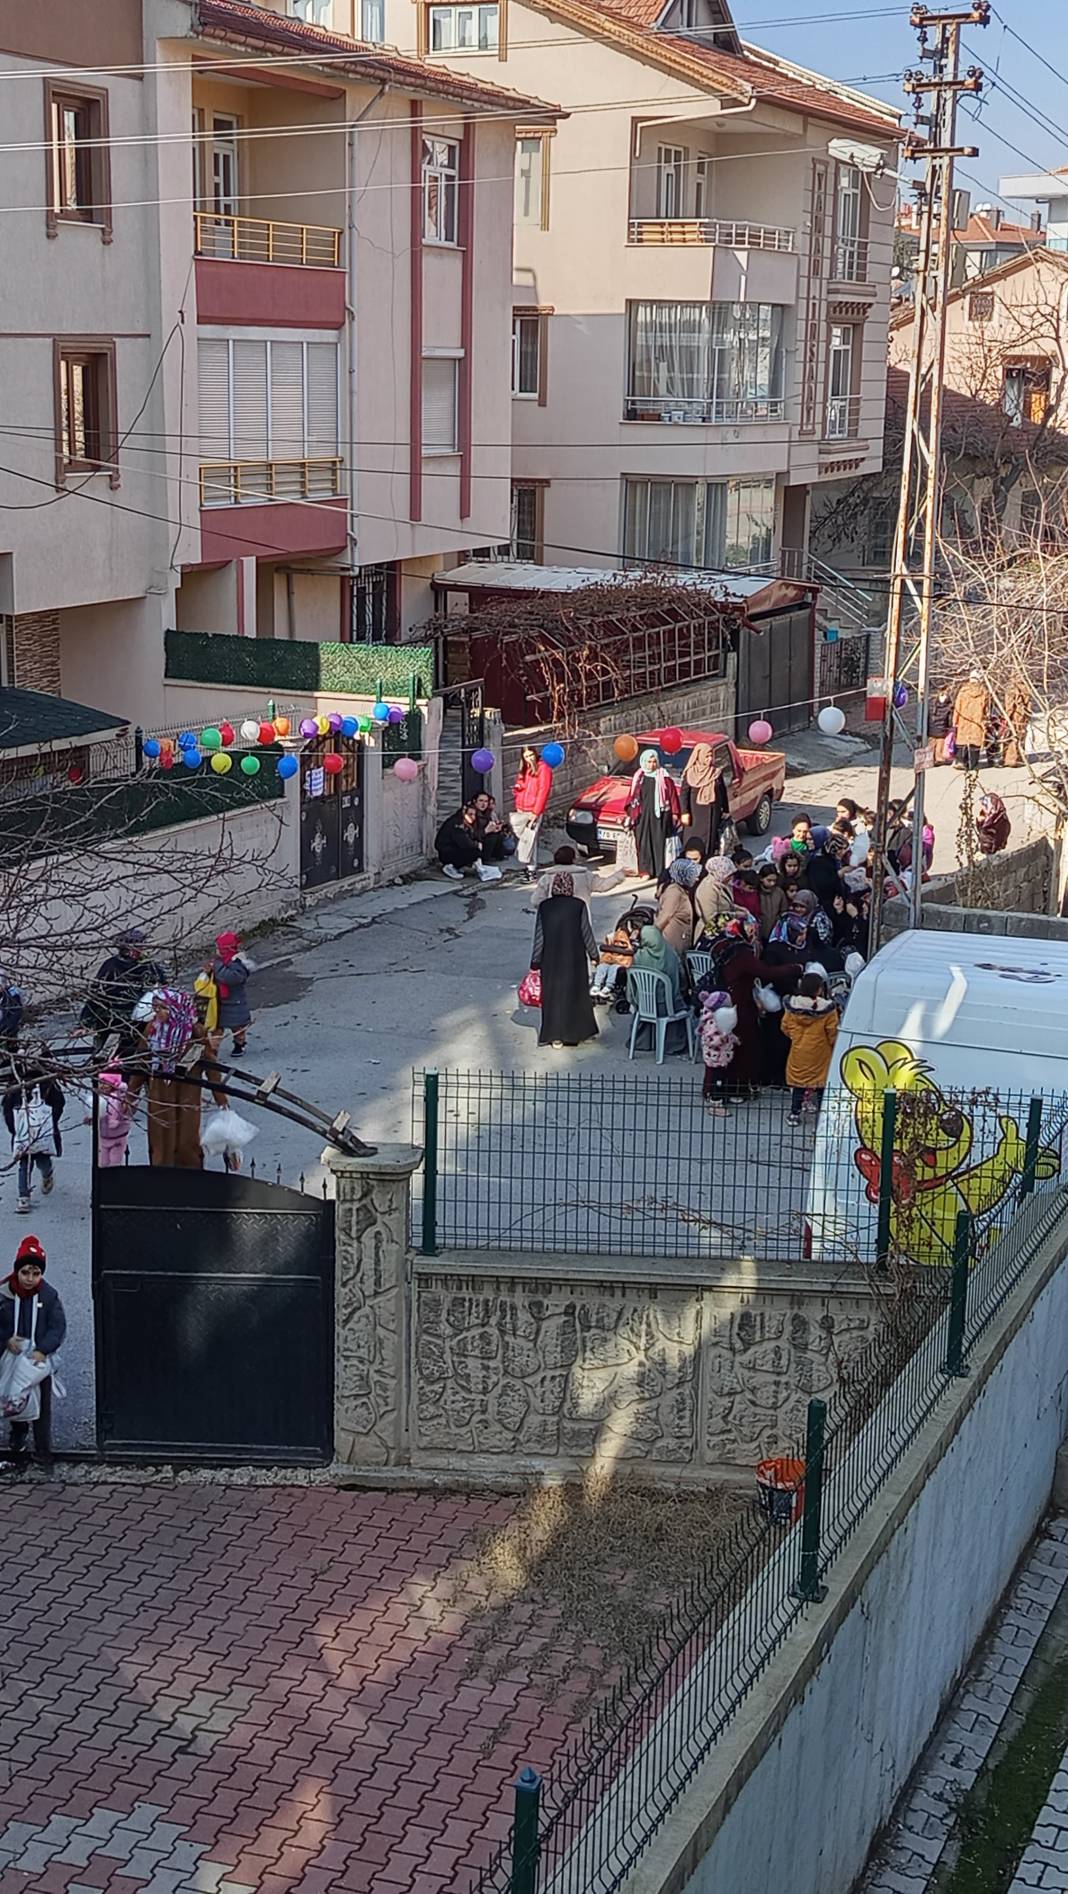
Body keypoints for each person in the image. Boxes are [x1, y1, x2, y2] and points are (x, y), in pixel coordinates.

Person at [695, 917, 800, 1096]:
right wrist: (794, 968)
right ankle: (736, 1089)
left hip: (726, 1000)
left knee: (726, 1045)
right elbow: (765, 972)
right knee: (743, 1046)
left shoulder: (724, 946)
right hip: (740, 1004)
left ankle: (723, 1088)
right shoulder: (742, 953)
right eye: (750, 929)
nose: (753, 932)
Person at [1, 1234, 65, 1471]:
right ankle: (18, 1433)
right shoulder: (4, 1295)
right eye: (25, 1272)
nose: (30, 1279)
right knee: (11, 1397)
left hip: (37, 1361)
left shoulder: (49, 1296)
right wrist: (6, 1341)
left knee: (42, 1406)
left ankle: (42, 1450)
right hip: (10, 1356)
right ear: (17, 1270)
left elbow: (57, 1327)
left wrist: (43, 1350)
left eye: (36, 1273)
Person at [530, 872, 599, 1048]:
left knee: (554, 996)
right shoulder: (578, 905)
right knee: (576, 994)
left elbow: (540, 936)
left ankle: (555, 1035)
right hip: (574, 957)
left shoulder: (545, 907)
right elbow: (586, 932)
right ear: (570, 887)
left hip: (551, 958)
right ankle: (576, 1033)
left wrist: (535, 962)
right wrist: (594, 955)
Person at [81, 928, 168, 1060]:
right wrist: (85, 1023)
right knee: (103, 1057)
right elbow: (96, 995)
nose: (141, 949)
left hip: (141, 1020)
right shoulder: (111, 966)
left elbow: (164, 988)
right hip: (111, 1020)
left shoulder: (149, 966)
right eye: (137, 946)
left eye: (142, 946)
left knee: (138, 1054)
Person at [3, 1058, 64, 1215]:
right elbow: (7, 1108)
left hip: (42, 1134)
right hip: (24, 1135)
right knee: (24, 1164)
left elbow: (59, 1103)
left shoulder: (47, 1084)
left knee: (42, 1160)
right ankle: (23, 1197)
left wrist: (48, 1122)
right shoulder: (17, 1086)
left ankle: (47, 1173)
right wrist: (15, 1129)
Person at [781, 972, 839, 1127]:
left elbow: (785, 1026)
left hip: (799, 1051)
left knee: (799, 1084)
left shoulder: (792, 1006)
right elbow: (832, 1032)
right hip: (821, 1053)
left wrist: (796, 1036)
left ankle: (794, 1114)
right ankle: (821, 1119)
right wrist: (833, 1046)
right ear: (819, 989)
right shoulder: (828, 1009)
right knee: (821, 1085)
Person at [626, 749, 680, 880]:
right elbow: (632, 797)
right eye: (649, 761)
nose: (652, 764)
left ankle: (660, 870)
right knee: (643, 843)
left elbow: (672, 796)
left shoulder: (664, 777)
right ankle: (645, 870)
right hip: (642, 816)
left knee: (659, 842)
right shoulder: (639, 777)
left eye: (654, 761)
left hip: (660, 816)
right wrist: (630, 814)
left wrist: (675, 814)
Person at [679, 742, 729, 858]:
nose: (709, 759)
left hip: (712, 812)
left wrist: (726, 810)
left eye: (711, 755)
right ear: (699, 756)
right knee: (694, 838)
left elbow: (722, 792)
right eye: (706, 756)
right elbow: (684, 794)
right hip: (695, 813)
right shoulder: (690, 773)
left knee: (710, 838)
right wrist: (684, 812)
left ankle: (707, 860)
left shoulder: (715, 772)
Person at [511, 746, 553, 879]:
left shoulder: (543, 768)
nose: (530, 759)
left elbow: (543, 791)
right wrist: (517, 791)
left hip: (533, 809)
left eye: (531, 755)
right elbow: (521, 784)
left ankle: (531, 870)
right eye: (526, 756)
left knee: (530, 838)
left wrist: (536, 811)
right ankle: (527, 866)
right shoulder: (524, 768)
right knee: (524, 838)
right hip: (522, 807)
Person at [211, 932, 253, 1057]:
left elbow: (229, 978)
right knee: (216, 1028)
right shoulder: (221, 962)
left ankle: (239, 1044)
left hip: (235, 1002)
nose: (217, 951)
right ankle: (213, 1049)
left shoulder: (237, 964)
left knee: (237, 1028)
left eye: (219, 948)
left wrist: (216, 967)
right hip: (219, 1002)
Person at [699, 989, 739, 1116]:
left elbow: (728, 1032)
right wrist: (722, 1037)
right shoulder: (712, 1022)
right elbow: (709, 1040)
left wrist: (733, 1038)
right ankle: (716, 1103)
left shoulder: (721, 1020)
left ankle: (724, 1096)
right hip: (715, 1057)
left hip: (723, 1055)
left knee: (724, 1077)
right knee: (718, 1080)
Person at [654, 859, 701, 958]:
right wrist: (652, 935)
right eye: (692, 875)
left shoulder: (681, 890)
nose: (696, 879)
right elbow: (665, 916)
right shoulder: (674, 893)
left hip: (679, 940)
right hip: (672, 943)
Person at [590, 919, 636, 1004]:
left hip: (621, 961)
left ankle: (608, 986)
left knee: (614, 968)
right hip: (612, 958)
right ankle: (597, 985)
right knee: (602, 966)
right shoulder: (614, 939)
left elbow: (629, 956)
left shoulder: (630, 943)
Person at [953, 670, 990, 772]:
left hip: (964, 719)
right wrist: (985, 719)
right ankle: (973, 763)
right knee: (975, 742)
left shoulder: (963, 691)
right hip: (977, 720)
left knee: (962, 741)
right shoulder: (984, 692)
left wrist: (955, 720)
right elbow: (986, 709)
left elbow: (957, 707)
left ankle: (961, 760)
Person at [436, 803, 485, 880]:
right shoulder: (457, 824)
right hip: (446, 853)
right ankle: (450, 867)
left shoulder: (465, 823)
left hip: (453, 849)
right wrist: (477, 845)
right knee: (474, 852)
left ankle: (459, 866)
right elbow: (465, 843)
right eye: (470, 814)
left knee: (476, 849)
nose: (473, 817)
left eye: (474, 815)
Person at [96, 1067, 130, 1168]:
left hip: (117, 1138)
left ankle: (114, 1180)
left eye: (105, 1083)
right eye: (100, 1082)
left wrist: (117, 1120)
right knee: (103, 1163)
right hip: (103, 1136)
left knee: (115, 1163)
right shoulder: (99, 1098)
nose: (102, 1086)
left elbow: (124, 1111)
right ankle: (105, 1180)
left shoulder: (118, 1097)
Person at [695, 857, 736, 936]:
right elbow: (711, 918)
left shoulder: (721, 884)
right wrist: (735, 915)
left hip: (722, 931)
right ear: (720, 872)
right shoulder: (707, 888)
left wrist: (738, 909)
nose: (731, 878)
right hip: (709, 933)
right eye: (728, 875)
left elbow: (726, 904)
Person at [1003, 677, 1030, 769]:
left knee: (1011, 735)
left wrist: (1007, 715)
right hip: (1022, 716)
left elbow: (1009, 704)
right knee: (1020, 735)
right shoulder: (1026, 688)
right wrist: (1028, 715)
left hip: (1014, 716)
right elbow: (1029, 704)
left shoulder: (1011, 688)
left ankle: (1010, 758)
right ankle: (1018, 757)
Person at [472, 791, 507, 863]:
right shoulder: (471, 813)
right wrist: (485, 831)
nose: (483, 804)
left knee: (498, 836)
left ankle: (496, 856)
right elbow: (471, 834)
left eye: (486, 801)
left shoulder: (488, 813)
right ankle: (484, 860)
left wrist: (497, 828)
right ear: (475, 801)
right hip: (473, 842)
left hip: (483, 838)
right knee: (491, 838)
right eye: (481, 801)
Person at [757, 863, 787, 942]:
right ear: (761, 878)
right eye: (769, 880)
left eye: (774, 880)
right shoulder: (756, 892)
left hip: (775, 931)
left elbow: (784, 910)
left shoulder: (779, 892)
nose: (772, 883)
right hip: (759, 930)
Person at [976, 791, 1011, 856]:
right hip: (982, 854)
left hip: (994, 855)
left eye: (986, 805)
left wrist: (991, 851)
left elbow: (999, 840)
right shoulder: (985, 818)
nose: (983, 808)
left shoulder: (1001, 821)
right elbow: (980, 833)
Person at [931, 686, 955, 765]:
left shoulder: (933, 701)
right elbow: (949, 718)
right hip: (942, 727)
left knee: (932, 743)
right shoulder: (948, 704)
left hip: (932, 726)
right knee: (940, 743)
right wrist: (949, 727)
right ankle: (939, 758)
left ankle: (930, 758)